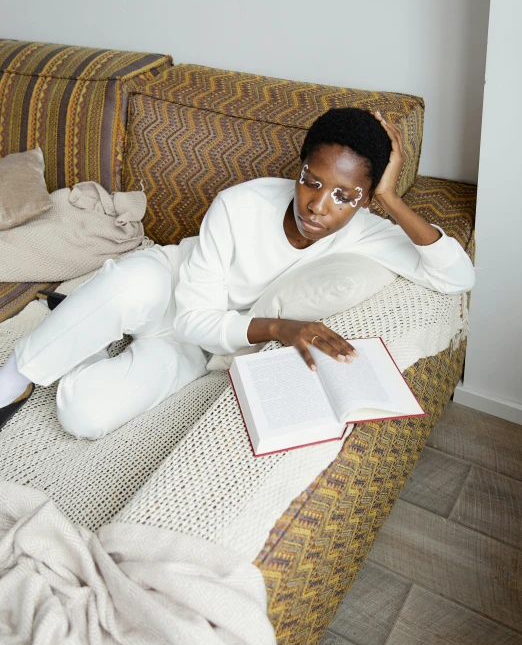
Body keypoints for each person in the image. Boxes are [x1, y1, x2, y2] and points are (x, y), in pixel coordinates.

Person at [0, 109, 475, 439]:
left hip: (198, 345)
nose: (318, 204)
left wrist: (392, 199)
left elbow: (458, 277)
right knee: (129, 283)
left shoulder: (369, 231)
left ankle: (80, 326)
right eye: (312, 181)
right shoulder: (241, 203)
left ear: (366, 199)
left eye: (345, 195)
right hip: (166, 287)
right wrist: (277, 328)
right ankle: (16, 374)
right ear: (300, 169)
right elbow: (190, 313)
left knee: (83, 416)